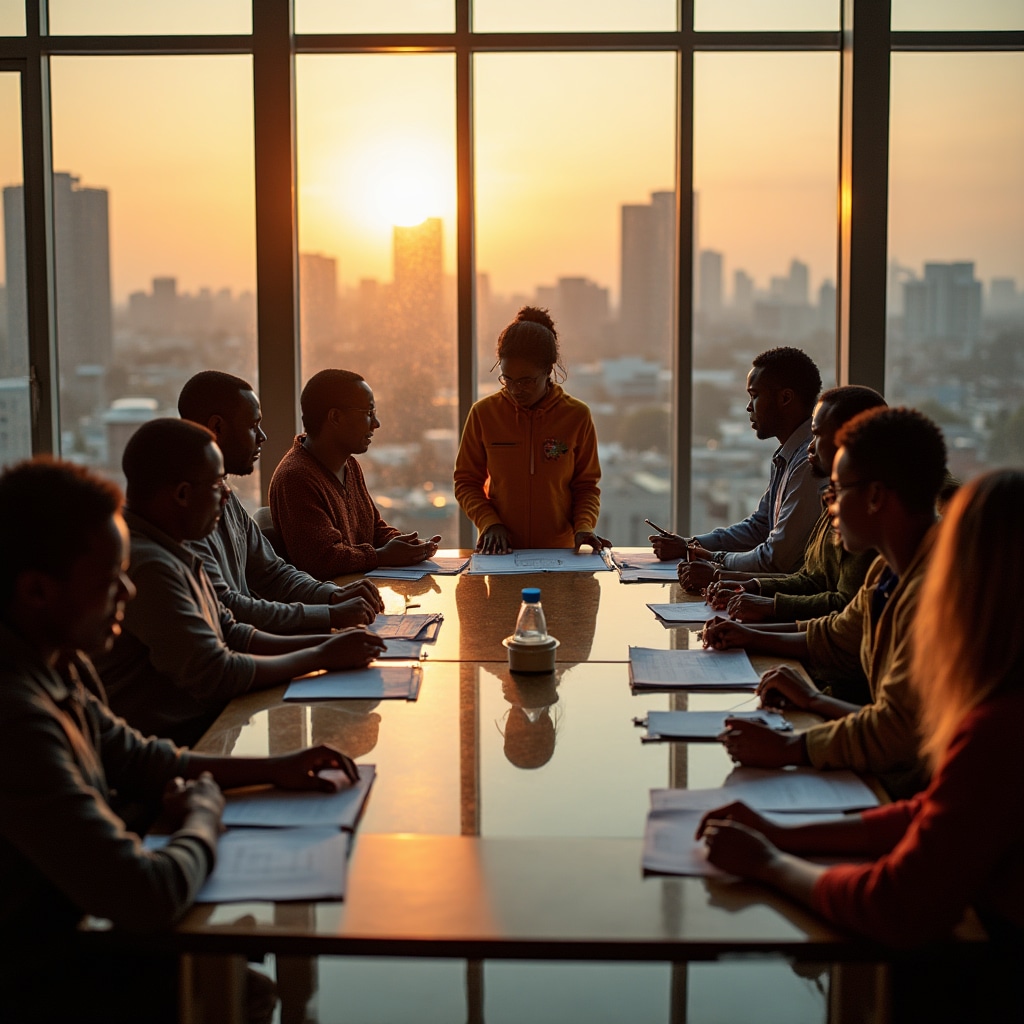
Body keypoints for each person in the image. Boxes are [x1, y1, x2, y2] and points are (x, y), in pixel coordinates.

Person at [0, 457, 365, 1024]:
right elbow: (142, 893)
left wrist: (276, 768)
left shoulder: (56, 663)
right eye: (108, 581)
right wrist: (203, 815)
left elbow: (138, 756)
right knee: (240, 993)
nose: (127, 592)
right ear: (36, 591)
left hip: (82, 915)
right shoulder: (14, 718)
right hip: (43, 965)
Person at [696, 469, 1024, 1024]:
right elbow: (933, 814)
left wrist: (772, 864)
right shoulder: (1000, 697)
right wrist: (782, 833)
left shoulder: (999, 724)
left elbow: (896, 905)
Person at [703, 407, 947, 798]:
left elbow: (897, 735)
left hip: (909, 794)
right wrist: (751, 637)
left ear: (874, 496)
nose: (830, 507)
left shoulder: (934, 594)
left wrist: (791, 748)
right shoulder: (888, 571)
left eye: (835, 493)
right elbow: (838, 635)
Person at [95, 419, 385, 747]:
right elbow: (218, 674)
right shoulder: (150, 565)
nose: (227, 494)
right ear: (182, 494)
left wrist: (328, 642)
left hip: (213, 726)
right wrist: (320, 655)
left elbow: (233, 632)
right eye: (218, 483)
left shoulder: (174, 546)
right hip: (182, 743)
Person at [178, 370, 384, 633]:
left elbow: (273, 573)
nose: (262, 436)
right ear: (217, 427)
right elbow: (230, 611)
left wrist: (331, 596)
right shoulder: (186, 517)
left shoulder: (225, 497)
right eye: (252, 426)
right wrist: (328, 617)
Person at [706, 385, 886, 626]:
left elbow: (843, 613)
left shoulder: (860, 507)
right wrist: (750, 586)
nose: (811, 446)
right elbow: (811, 579)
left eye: (818, 435)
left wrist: (766, 613)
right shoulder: (831, 486)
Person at [654, 347, 823, 594]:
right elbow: (759, 527)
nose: (748, 407)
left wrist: (714, 559)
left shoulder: (809, 463)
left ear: (785, 398)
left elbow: (775, 559)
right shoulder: (787, 455)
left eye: (754, 395)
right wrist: (692, 545)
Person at [454, 306, 608, 553]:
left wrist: (584, 528)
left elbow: (586, 486)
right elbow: (466, 482)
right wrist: (489, 523)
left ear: (548, 371)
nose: (516, 390)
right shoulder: (483, 414)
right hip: (501, 552)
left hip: (561, 553)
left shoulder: (576, 416)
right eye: (507, 379)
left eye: (526, 381)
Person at [269, 369, 440, 577]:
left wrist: (410, 545)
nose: (376, 424)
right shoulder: (296, 478)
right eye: (368, 413)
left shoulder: (350, 465)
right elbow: (322, 560)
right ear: (336, 417)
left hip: (359, 595)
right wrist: (383, 556)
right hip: (330, 604)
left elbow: (373, 529)